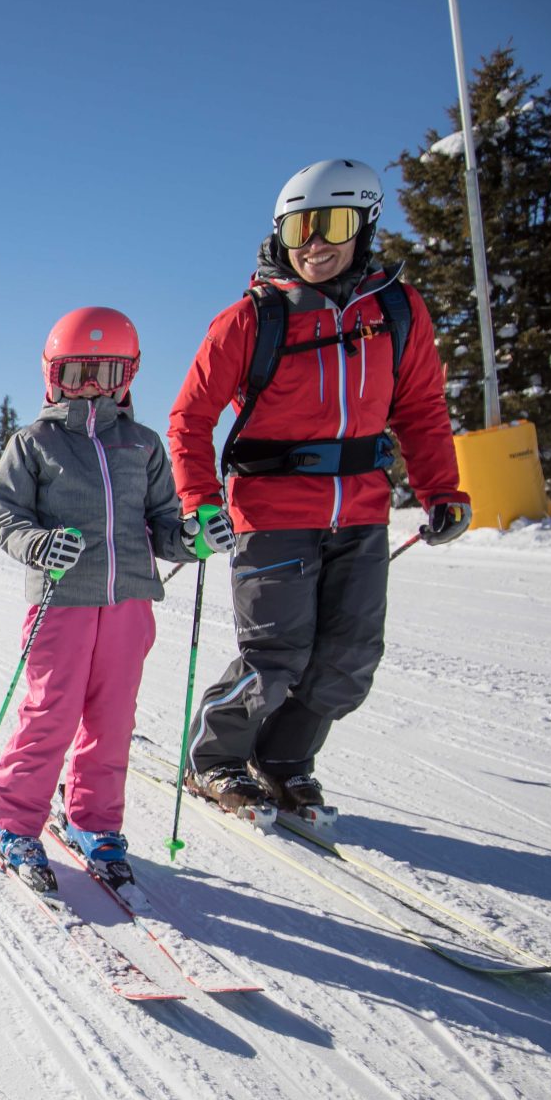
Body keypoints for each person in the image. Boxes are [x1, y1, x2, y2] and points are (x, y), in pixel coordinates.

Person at [169, 159, 471, 821]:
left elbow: (421, 408)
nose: (314, 242)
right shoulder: (252, 319)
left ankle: (281, 761)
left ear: (364, 224)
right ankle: (214, 759)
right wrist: (200, 501)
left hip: (360, 511)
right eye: (299, 227)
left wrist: (441, 489)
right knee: (276, 655)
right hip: (271, 512)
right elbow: (190, 417)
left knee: (348, 659)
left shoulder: (397, 310)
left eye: (331, 224)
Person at [0, 307, 203, 891]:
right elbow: (8, 519)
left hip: (130, 602)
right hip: (62, 601)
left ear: (127, 377)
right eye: (77, 371)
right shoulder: (33, 443)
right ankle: (12, 819)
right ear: (52, 374)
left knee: (112, 720)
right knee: (50, 713)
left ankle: (94, 822)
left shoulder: (143, 444)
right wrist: (38, 543)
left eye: (105, 373)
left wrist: (190, 538)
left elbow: (163, 522)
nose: (90, 386)